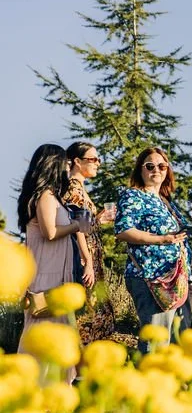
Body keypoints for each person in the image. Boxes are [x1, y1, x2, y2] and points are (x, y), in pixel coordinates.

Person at [17, 144, 93, 365]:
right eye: (65, 162)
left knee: (58, 333)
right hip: (46, 276)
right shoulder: (45, 196)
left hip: (57, 274)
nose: (68, 166)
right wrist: (77, 225)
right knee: (43, 329)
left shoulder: (53, 196)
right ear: (53, 164)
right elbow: (49, 232)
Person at [115, 147, 192, 351]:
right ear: (140, 170)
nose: (156, 170)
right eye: (150, 166)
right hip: (151, 278)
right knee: (156, 343)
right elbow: (123, 230)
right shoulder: (133, 195)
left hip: (176, 279)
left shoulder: (165, 201)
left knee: (178, 343)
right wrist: (162, 239)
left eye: (162, 166)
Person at [64, 141, 116, 343]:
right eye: (93, 159)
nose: (98, 163)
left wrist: (98, 220)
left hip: (90, 258)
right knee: (89, 315)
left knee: (95, 312)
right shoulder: (73, 189)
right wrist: (87, 261)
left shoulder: (80, 189)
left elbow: (84, 225)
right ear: (77, 161)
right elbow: (77, 229)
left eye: (98, 159)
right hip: (84, 260)